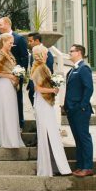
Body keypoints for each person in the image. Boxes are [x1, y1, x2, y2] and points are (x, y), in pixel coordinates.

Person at [31, 44, 71, 177]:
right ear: (41, 55)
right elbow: (38, 88)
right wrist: (53, 90)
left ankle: (53, 165)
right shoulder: (40, 69)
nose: (47, 55)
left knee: (50, 133)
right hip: (43, 101)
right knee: (49, 132)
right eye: (45, 53)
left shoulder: (39, 67)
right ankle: (49, 167)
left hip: (44, 101)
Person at [64, 44, 94, 177]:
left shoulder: (84, 68)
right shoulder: (71, 71)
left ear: (79, 53)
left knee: (84, 137)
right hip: (71, 110)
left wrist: (82, 105)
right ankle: (80, 165)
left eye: (72, 51)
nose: (69, 53)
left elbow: (89, 88)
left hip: (80, 109)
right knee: (78, 139)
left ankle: (87, 167)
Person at [0, 33, 25, 148]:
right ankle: (7, 140)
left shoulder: (10, 53)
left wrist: (17, 75)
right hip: (4, 84)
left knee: (12, 111)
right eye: (10, 43)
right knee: (6, 111)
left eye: (12, 43)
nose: (11, 45)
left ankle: (14, 138)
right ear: (3, 42)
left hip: (11, 85)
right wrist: (11, 76)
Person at [0, 17, 29, 129]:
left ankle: (19, 124)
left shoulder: (19, 39)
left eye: (0, 24)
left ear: (7, 24)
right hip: (3, 76)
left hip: (16, 75)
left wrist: (19, 73)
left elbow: (24, 57)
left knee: (17, 99)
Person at [27, 32, 54, 106]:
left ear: (37, 41)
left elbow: (49, 69)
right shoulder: (34, 52)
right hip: (34, 86)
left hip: (42, 86)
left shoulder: (47, 52)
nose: (29, 43)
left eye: (30, 41)